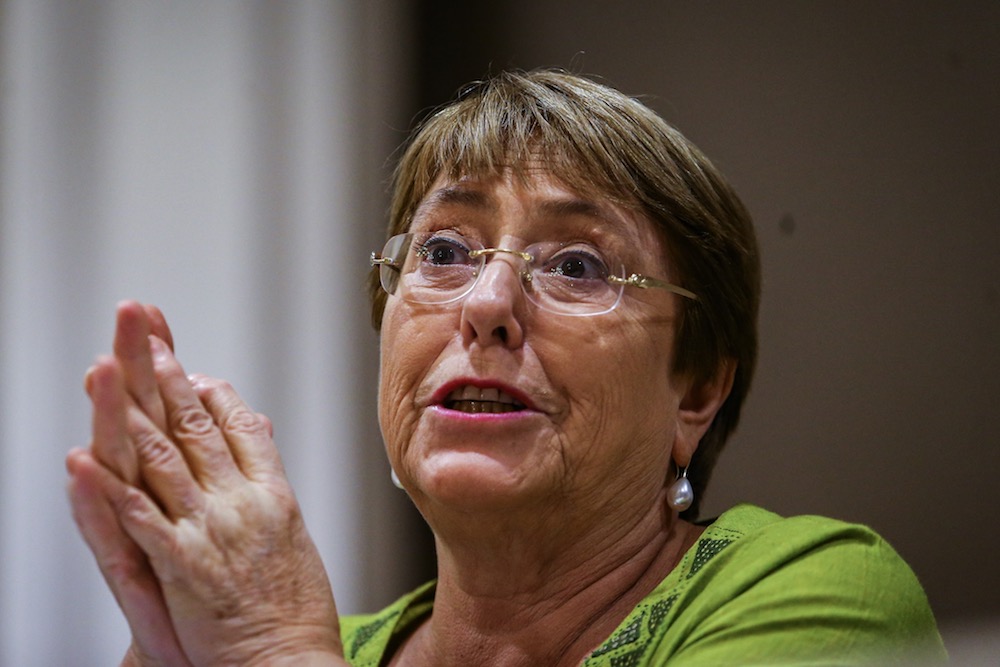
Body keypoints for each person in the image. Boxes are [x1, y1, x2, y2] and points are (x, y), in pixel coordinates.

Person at [67, 70, 946, 666]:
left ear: (698, 388)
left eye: (577, 267)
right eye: (443, 249)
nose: (485, 303)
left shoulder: (820, 592)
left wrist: (282, 654)